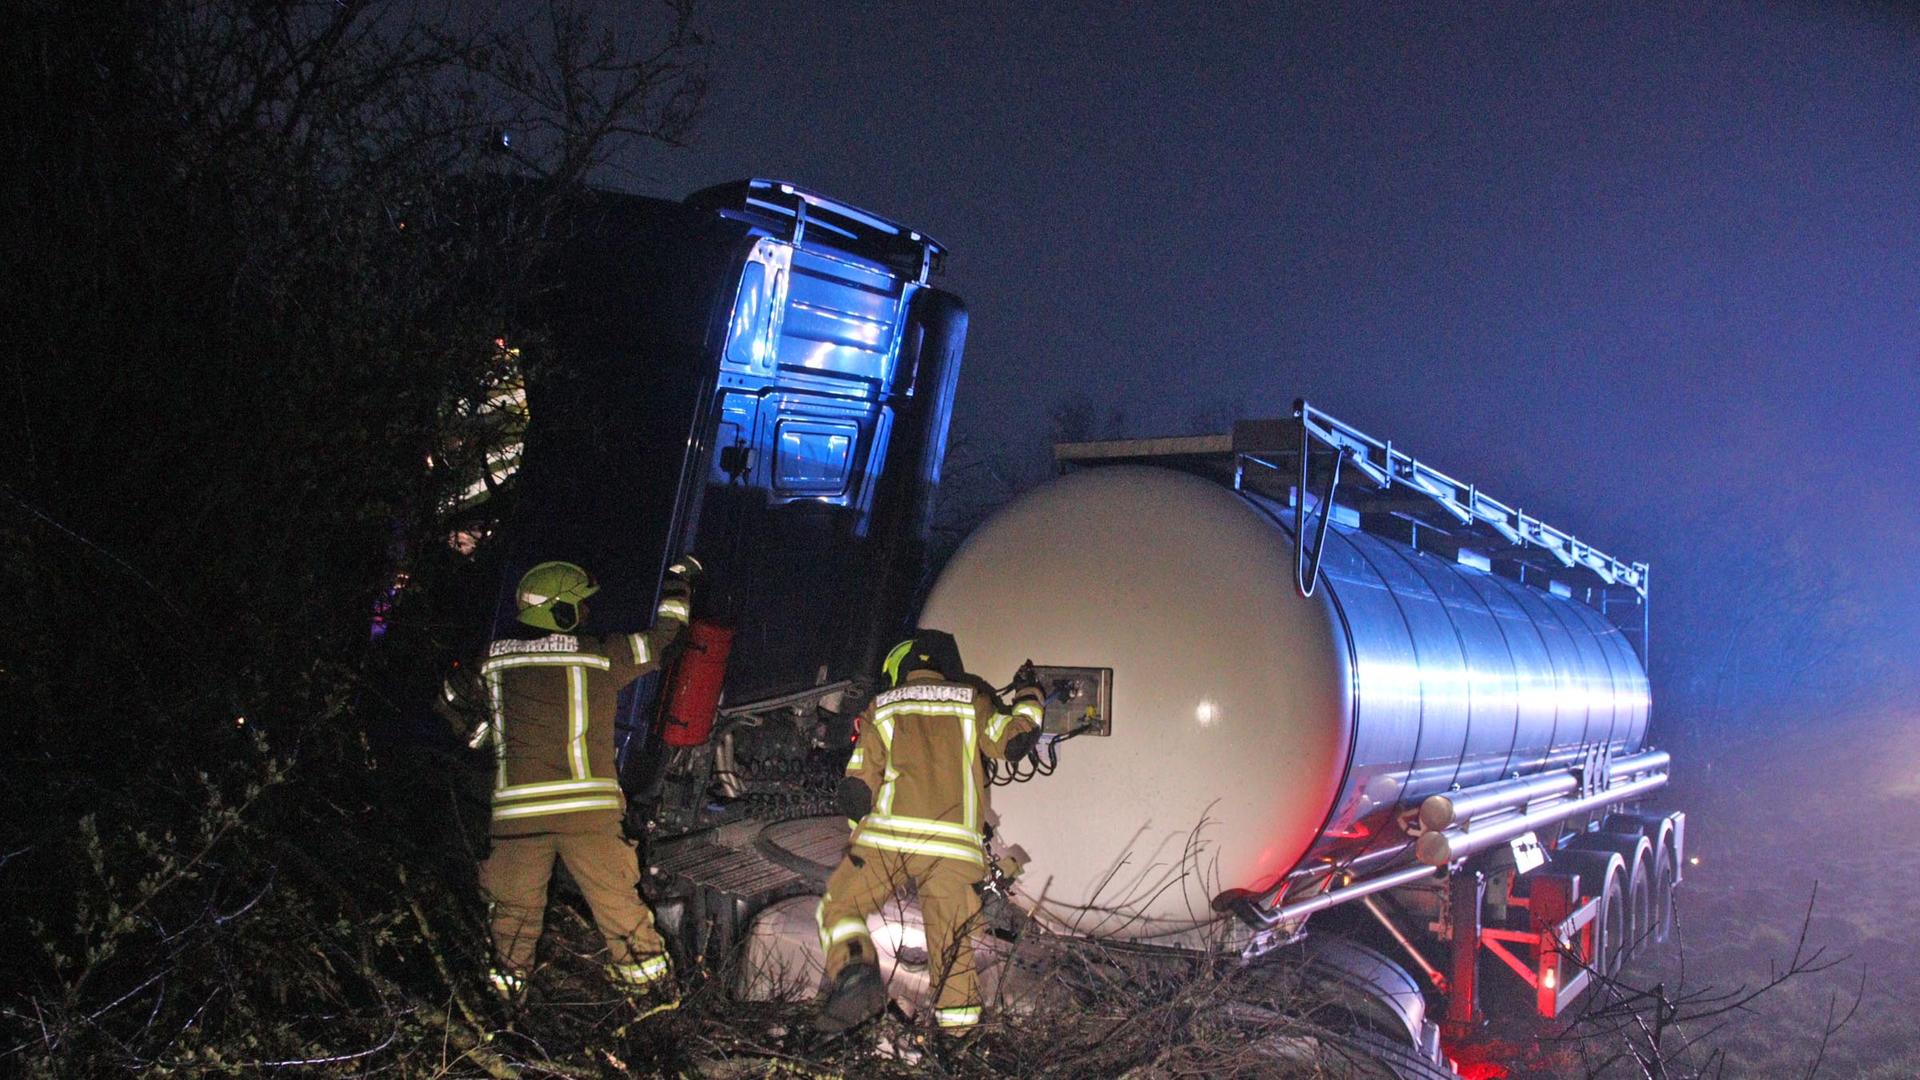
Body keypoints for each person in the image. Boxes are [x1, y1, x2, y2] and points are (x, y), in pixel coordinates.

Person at [446, 556, 700, 1017]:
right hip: (590, 818)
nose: (586, 613)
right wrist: (679, 586)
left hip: (517, 820)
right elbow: (666, 641)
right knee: (623, 914)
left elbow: (448, 698)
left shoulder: (494, 662)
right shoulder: (601, 654)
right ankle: (658, 1010)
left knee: (510, 923)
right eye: (579, 606)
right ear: (560, 612)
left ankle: (500, 1019)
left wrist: (482, 735)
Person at [814, 630, 1043, 1038]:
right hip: (953, 850)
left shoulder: (880, 708)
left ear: (901, 669)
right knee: (954, 954)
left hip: (889, 840)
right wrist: (1031, 695)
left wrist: (859, 846)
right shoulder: (972, 701)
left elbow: (856, 791)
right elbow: (1016, 740)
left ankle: (855, 978)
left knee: (840, 907)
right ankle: (956, 1045)